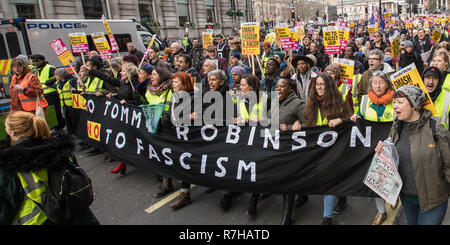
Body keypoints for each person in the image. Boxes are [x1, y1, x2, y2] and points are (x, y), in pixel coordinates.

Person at [0, 111, 99, 225]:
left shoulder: (10, 164)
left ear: (12, 132)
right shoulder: (59, 146)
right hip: (77, 213)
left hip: (39, 220)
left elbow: (6, 207)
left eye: (6, 126)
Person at [375, 85, 450, 225]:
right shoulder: (396, 127)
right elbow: (393, 159)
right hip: (407, 199)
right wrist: (382, 151)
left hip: (433, 202)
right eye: (394, 102)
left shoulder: (436, 129)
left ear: (414, 105)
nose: (395, 106)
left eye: (400, 102)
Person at [303, 72, 353, 225]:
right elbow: (306, 122)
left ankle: (327, 218)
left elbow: (351, 120)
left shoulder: (340, 101)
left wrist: (340, 120)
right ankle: (341, 196)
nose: (319, 87)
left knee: (329, 179)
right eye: (317, 84)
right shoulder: (310, 103)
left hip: (334, 148)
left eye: (322, 84)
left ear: (329, 86)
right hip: (316, 148)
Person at [350, 72, 395, 225]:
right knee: (377, 180)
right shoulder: (364, 101)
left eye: (381, 82)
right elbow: (359, 117)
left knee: (395, 177)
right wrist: (355, 118)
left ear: (387, 84)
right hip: (372, 150)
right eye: (375, 82)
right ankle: (381, 212)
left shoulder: (396, 100)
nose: (377, 85)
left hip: (393, 147)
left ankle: (394, 197)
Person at [270, 78, 306, 225]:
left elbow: (308, 124)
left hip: (292, 149)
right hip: (275, 146)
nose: (278, 89)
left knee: (288, 180)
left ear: (290, 89)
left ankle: (287, 215)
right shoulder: (273, 102)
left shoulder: (298, 104)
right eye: (277, 86)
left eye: (282, 86)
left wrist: (290, 128)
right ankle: (303, 194)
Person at [160, 72, 195, 210]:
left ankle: (185, 193)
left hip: (190, 139)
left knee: (186, 165)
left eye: (175, 82)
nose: (172, 85)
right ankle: (181, 191)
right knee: (178, 163)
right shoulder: (174, 97)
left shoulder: (193, 98)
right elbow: (168, 117)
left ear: (184, 84)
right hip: (176, 137)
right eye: (172, 82)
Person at [145, 66, 174, 198]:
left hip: (168, 128)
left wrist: (166, 117)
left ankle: (167, 183)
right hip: (155, 126)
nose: (151, 77)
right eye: (151, 74)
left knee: (169, 155)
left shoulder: (171, 90)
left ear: (162, 77)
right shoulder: (149, 90)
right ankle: (165, 179)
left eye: (154, 74)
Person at [32, 54, 63, 129]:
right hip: (44, 95)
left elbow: (60, 76)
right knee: (50, 113)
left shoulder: (50, 68)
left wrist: (51, 84)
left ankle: (60, 128)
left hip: (53, 94)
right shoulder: (37, 70)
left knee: (56, 113)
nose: (35, 63)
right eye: (33, 61)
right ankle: (55, 128)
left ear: (42, 60)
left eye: (37, 61)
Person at [46, 68, 78, 135]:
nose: (55, 76)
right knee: (67, 121)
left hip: (73, 105)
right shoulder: (58, 83)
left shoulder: (71, 81)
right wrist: (56, 78)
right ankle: (70, 134)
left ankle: (76, 134)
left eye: (56, 75)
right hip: (64, 106)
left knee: (74, 121)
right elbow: (47, 83)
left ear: (61, 75)